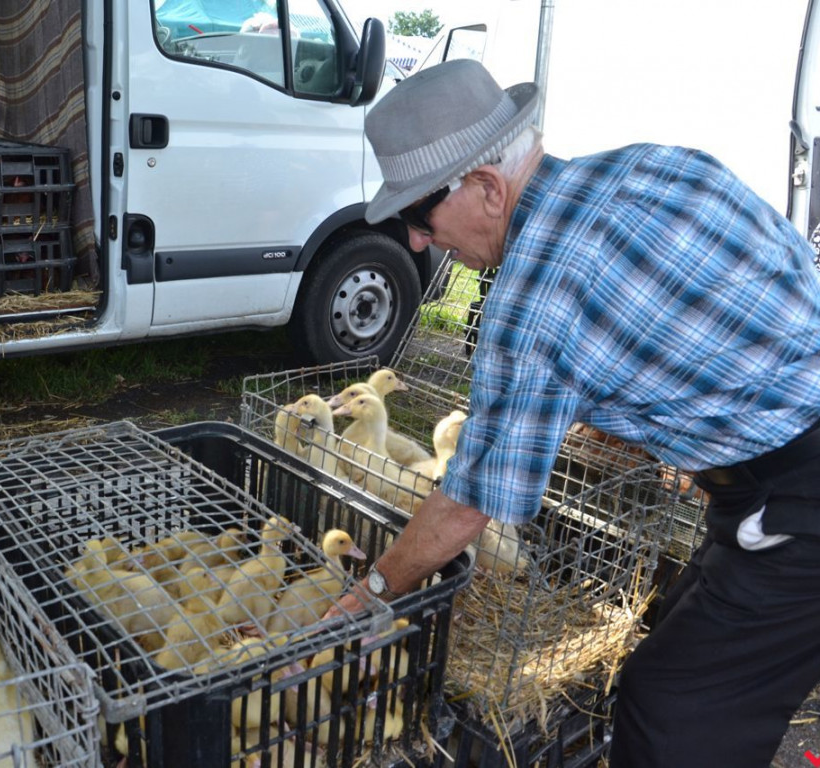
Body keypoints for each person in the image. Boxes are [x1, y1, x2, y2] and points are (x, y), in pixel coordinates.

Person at [328, 58, 820, 768]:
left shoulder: (533, 301)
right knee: (679, 652)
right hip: (764, 485)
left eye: (417, 214)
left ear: (486, 187)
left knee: (672, 711)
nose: (415, 240)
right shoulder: (663, 166)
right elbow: (776, 281)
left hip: (797, 504)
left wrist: (372, 593)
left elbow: (468, 504)